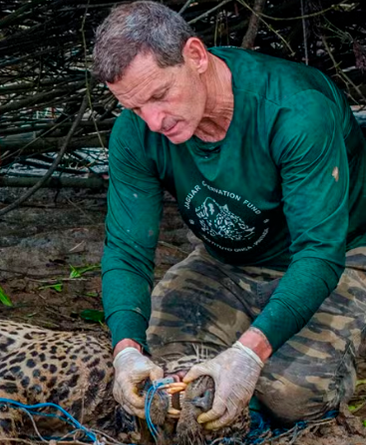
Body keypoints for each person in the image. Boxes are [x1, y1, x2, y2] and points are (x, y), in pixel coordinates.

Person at [92, 1, 366, 430]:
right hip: (226, 260)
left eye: (160, 96)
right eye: (135, 107)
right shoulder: (138, 133)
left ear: (196, 57)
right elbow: (127, 251)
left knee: (293, 396)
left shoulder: (294, 110)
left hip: (341, 255)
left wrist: (248, 352)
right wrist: (126, 348)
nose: (153, 121)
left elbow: (319, 251)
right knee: (161, 372)